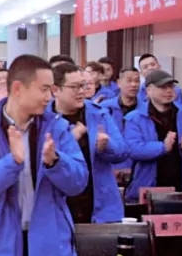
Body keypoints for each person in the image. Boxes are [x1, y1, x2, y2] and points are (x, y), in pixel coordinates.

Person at [0, 55, 87, 256]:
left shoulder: (56, 127)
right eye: (44, 89)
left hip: (50, 248)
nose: (49, 97)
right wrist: (12, 163)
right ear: (18, 88)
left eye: (52, 90)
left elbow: (78, 183)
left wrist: (55, 162)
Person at [52, 63, 127, 224]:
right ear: (55, 90)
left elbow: (122, 151)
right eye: (74, 87)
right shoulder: (45, 118)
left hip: (98, 204)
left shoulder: (98, 113)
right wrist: (70, 138)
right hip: (59, 206)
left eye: (83, 85)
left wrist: (105, 147)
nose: (81, 91)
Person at [124, 69, 182, 201]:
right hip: (149, 188)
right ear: (149, 90)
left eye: (171, 87)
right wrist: (163, 147)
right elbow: (133, 149)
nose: (169, 91)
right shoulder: (135, 118)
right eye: (163, 87)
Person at [103, 66, 142, 177]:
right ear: (119, 83)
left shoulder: (146, 110)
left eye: (137, 81)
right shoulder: (104, 109)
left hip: (138, 169)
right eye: (129, 80)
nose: (134, 85)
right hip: (112, 169)